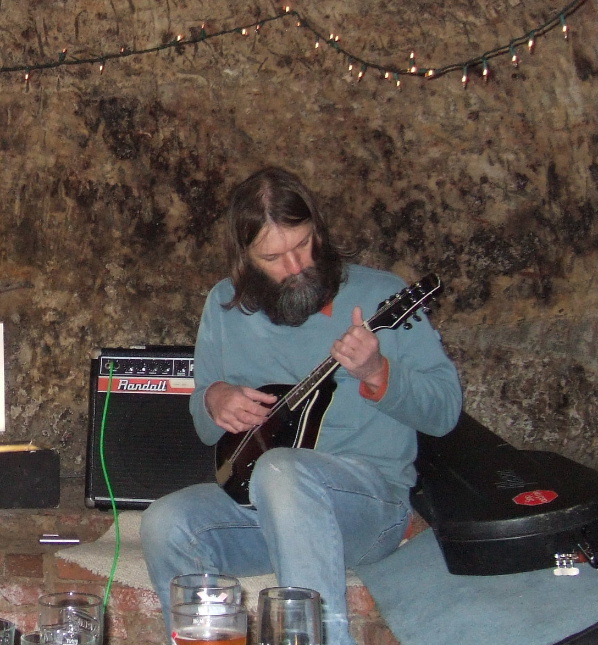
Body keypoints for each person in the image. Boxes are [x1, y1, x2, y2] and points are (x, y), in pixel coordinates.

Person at [141, 166, 462, 645]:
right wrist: (214, 398)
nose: (295, 267)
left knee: (282, 471)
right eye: (273, 257)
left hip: (369, 509)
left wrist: (379, 374)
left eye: (303, 245)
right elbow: (205, 426)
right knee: (165, 522)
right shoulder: (224, 305)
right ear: (245, 259)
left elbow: (445, 411)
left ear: (319, 230)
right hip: (258, 506)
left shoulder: (382, 295)